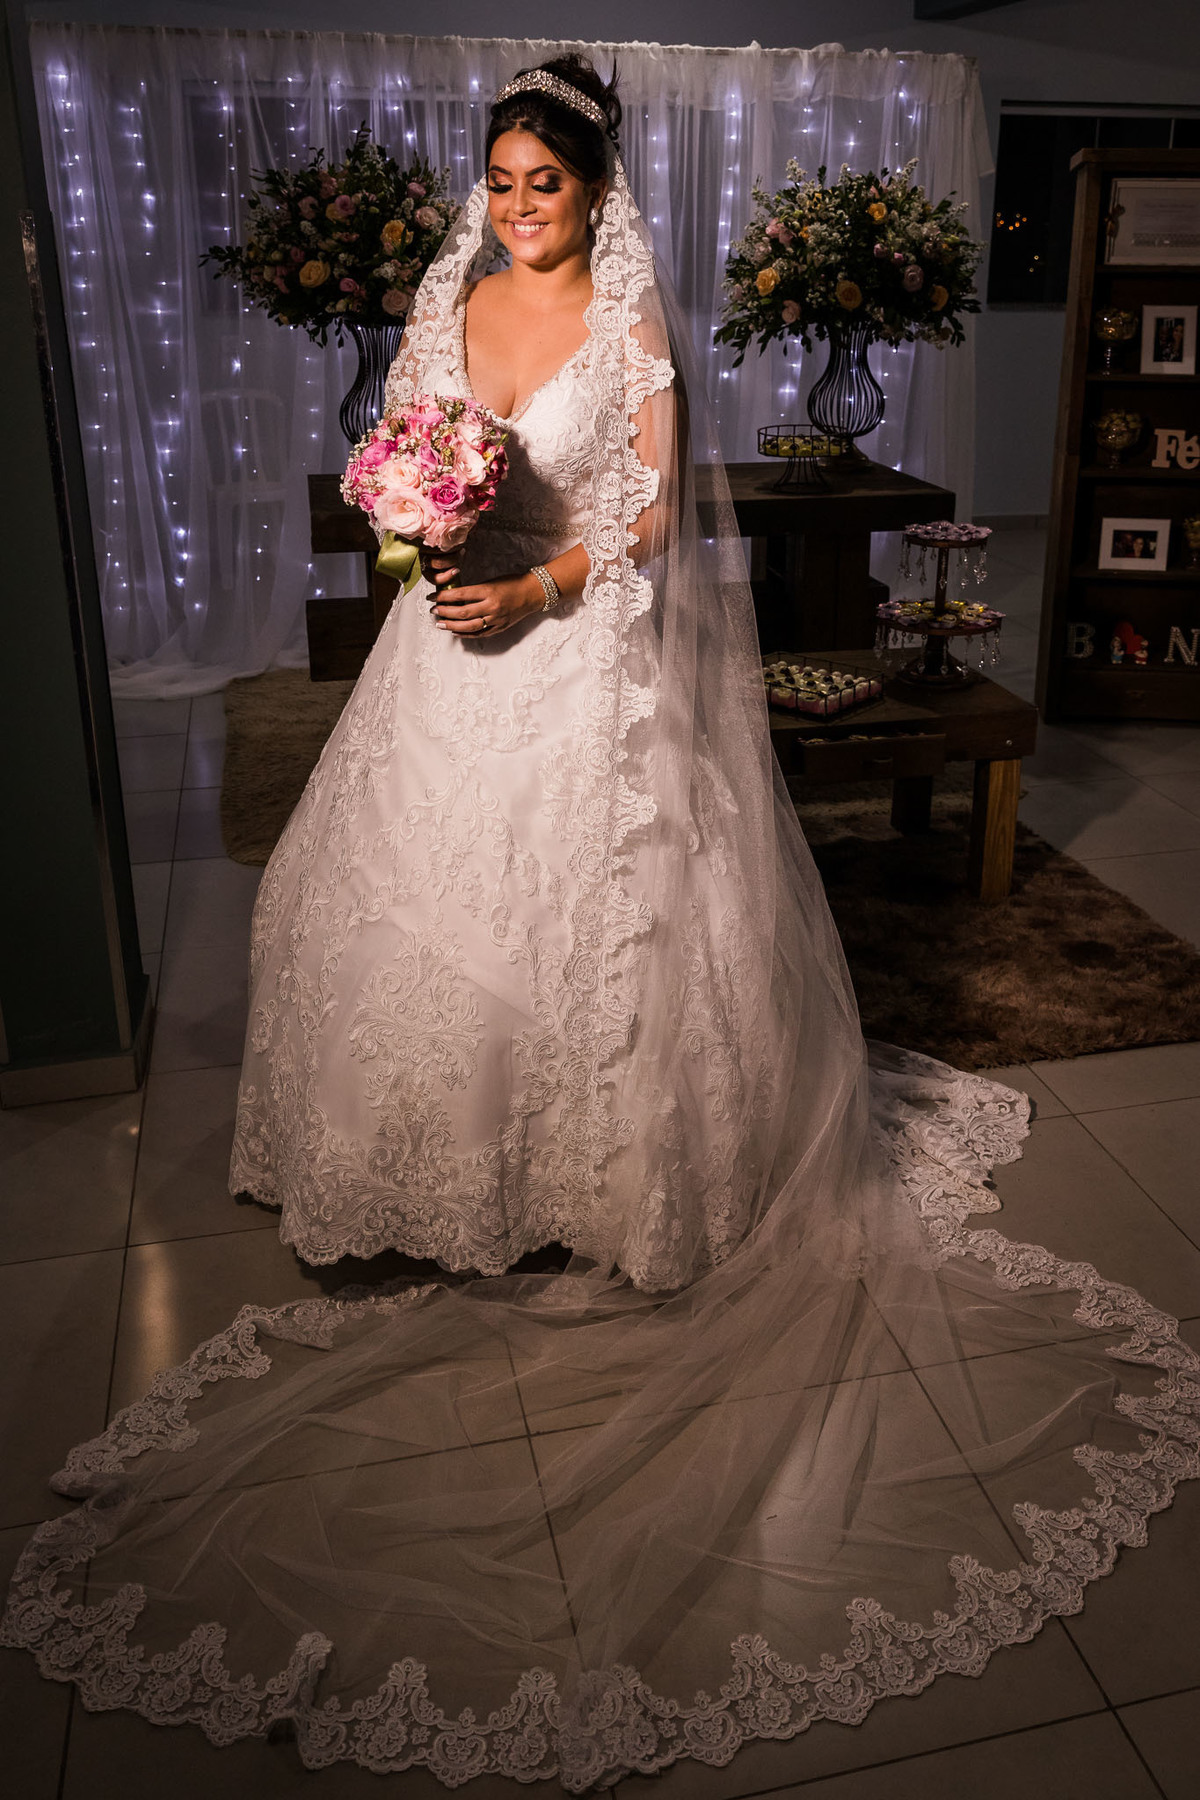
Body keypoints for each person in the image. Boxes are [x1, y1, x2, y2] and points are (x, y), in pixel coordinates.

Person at [4, 56, 1197, 1795]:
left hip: (576, 659)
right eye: (494, 180)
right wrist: (417, 531)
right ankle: (412, 1165)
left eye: (540, 184)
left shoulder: (633, 311)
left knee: (600, 927)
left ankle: (587, 1182)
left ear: (594, 187)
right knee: (407, 907)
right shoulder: (450, 297)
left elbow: (644, 513)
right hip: (447, 656)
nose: (512, 207)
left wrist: (541, 580)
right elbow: (402, 460)